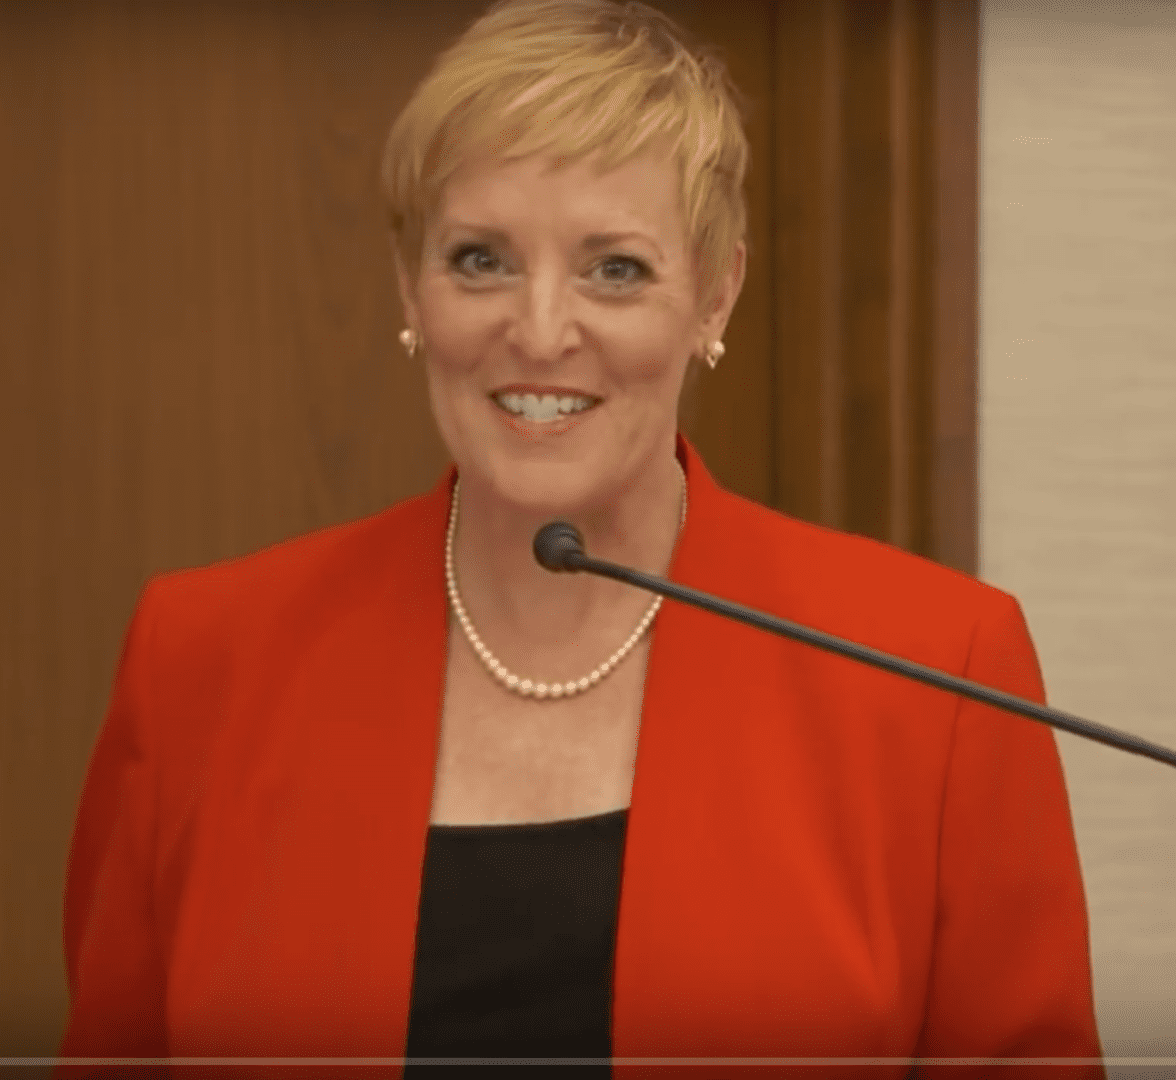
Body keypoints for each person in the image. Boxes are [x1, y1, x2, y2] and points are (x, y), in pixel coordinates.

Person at [58, 0, 1105, 1075]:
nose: (543, 330)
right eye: (481, 260)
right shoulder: (201, 658)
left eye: (616, 269)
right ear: (408, 285)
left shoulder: (939, 674)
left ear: (716, 293)